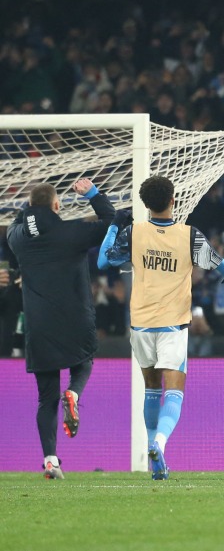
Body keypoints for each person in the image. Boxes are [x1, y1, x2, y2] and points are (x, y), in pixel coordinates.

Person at [99, 175, 224, 481]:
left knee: (152, 389)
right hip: (172, 324)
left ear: (145, 204)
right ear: (173, 201)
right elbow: (219, 265)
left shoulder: (135, 232)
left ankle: (153, 451)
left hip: (141, 324)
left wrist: (115, 225)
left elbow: (104, 260)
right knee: (175, 391)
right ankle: (159, 443)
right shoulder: (189, 236)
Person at [7, 179, 114, 479]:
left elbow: (20, 221)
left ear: (29, 207)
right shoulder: (72, 233)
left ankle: (51, 460)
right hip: (75, 319)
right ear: (56, 206)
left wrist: (29, 211)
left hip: (39, 325)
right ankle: (75, 394)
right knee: (85, 360)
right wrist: (92, 194)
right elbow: (111, 221)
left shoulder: (17, 237)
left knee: (46, 398)